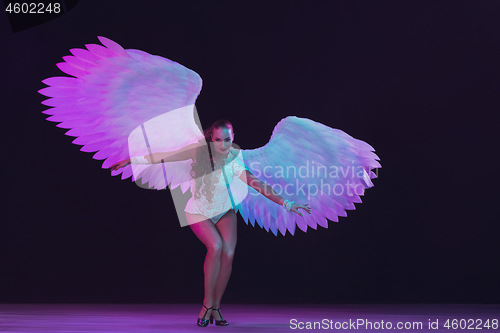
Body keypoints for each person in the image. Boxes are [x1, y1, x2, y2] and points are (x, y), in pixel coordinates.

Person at [110, 119, 311, 327]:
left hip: (224, 211)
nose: (223, 145)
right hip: (198, 212)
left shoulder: (235, 161)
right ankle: (207, 304)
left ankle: (216, 307)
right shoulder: (198, 153)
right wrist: (130, 160)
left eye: (227, 140)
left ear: (233, 138)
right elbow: (164, 157)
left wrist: (287, 203)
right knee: (215, 247)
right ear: (211, 139)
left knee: (229, 253)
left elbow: (259, 185)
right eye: (217, 140)